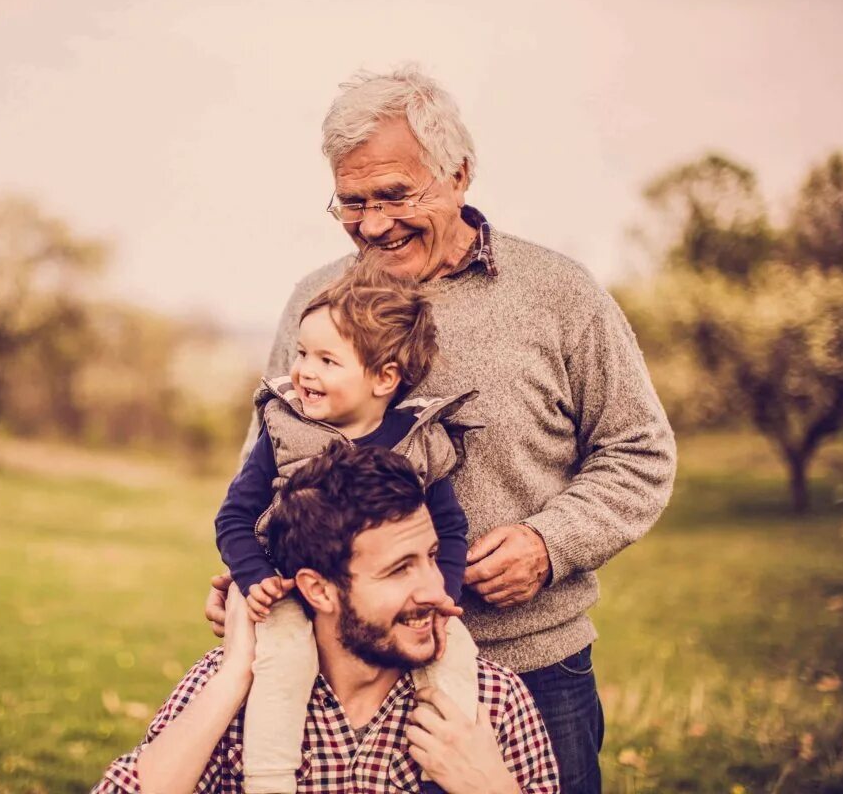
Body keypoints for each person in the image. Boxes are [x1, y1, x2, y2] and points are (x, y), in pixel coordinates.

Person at [206, 65, 677, 793]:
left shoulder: (558, 294)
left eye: (395, 195)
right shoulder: (316, 300)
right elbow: (270, 465)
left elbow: (639, 452)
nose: (373, 223)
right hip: (340, 678)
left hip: (528, 665)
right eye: (352, 202)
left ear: (459, 174)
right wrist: (254, 570)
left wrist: (549, 545)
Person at [91, 444, 559, 794]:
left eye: (432, 557)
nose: (437, 591)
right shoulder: (233, 687)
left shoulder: (492, 701)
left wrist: (491, 787)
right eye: (399, 569)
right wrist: (235, 673)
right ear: (318, 589)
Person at [214, 263, 480, 793]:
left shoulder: (417, 440)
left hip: (391, 606)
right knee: (283, 662)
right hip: (291, 592)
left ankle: (446, 771)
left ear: (385, 377)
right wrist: (253, 576)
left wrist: (441, 595)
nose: (304, 371)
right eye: (302, 354)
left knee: (457, 659)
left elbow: (449, 529)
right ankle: (269, 780)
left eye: (327, 360)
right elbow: (234, 516)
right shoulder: (284, 429)